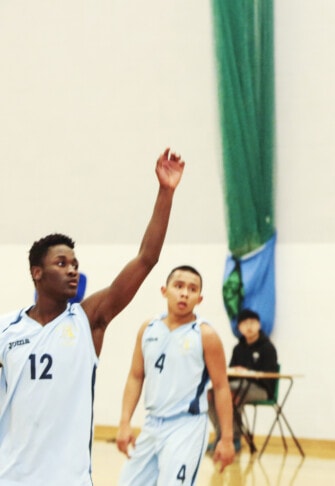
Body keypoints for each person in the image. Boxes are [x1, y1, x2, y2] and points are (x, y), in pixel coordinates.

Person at [0, 148, 184, 485]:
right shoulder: (6, 329)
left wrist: (165, 192)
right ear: (37, 273)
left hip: (69, 478)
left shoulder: (88, 319)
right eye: (61, 264)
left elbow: (146, 259)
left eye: (75, 264)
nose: (72, 270)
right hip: (12, 477)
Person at [115, 265, 236, 484]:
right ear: (164, 290)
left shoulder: (206, 335)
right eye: (178, 286)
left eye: (192, 289)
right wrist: (125, 422)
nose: (184, 293)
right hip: (151, 424)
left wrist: (226, 438)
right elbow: (135, 376)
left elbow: (221, 387)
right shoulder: (148, 329)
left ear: (199, 298)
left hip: (186, 427)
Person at [207, 308, 279, 452]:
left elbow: (269, 375)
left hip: (262, 389)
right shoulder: (238, 348)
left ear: (259, 325)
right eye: (244, 323)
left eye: (252, 322)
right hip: (239, 387)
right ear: (239, 328)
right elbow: (231, 375)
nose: (249, 326)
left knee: (233, 393)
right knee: (211, 394)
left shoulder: (267, 347)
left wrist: (249, 372)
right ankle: (223, 436)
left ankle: (234, 438)